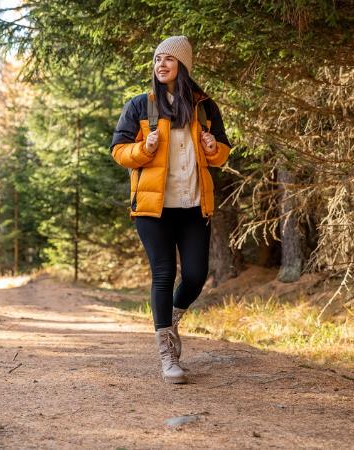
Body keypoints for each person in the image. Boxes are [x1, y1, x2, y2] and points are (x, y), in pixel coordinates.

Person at [110, 36, 232, 384]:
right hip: (153, 207)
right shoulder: (140, 106)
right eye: (157, 59)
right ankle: (166, 353)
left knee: (195, 274)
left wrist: (212, 147)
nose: (161, 65)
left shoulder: (204, 108)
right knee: (163, 274)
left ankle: (172, 321)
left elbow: (222, 154)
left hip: (193, 204)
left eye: (168, 59)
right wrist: (143, 150)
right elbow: (118, 151)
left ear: (183, 66)